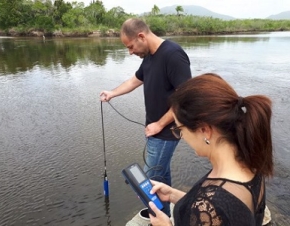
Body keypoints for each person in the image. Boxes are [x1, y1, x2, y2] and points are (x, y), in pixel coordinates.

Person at [148, 73, 273, 226]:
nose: (181, 137)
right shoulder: (250, 163)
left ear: (204, 130)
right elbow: (225, 213)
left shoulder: (212, 205)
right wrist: (173, 195)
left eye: (180, 129)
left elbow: (214, 210)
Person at [100, 18, 192, 217]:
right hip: (154, 130)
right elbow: (135, 80)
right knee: (161, 177)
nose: (130, 52)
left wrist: (159, 124)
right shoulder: (149, 56)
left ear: (141, 36)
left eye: (131, 46)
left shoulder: (173, 55)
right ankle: (166, 216)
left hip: (166, 132)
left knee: (148, 183)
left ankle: (158, 220)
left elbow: (186, 98)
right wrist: (112, 93)